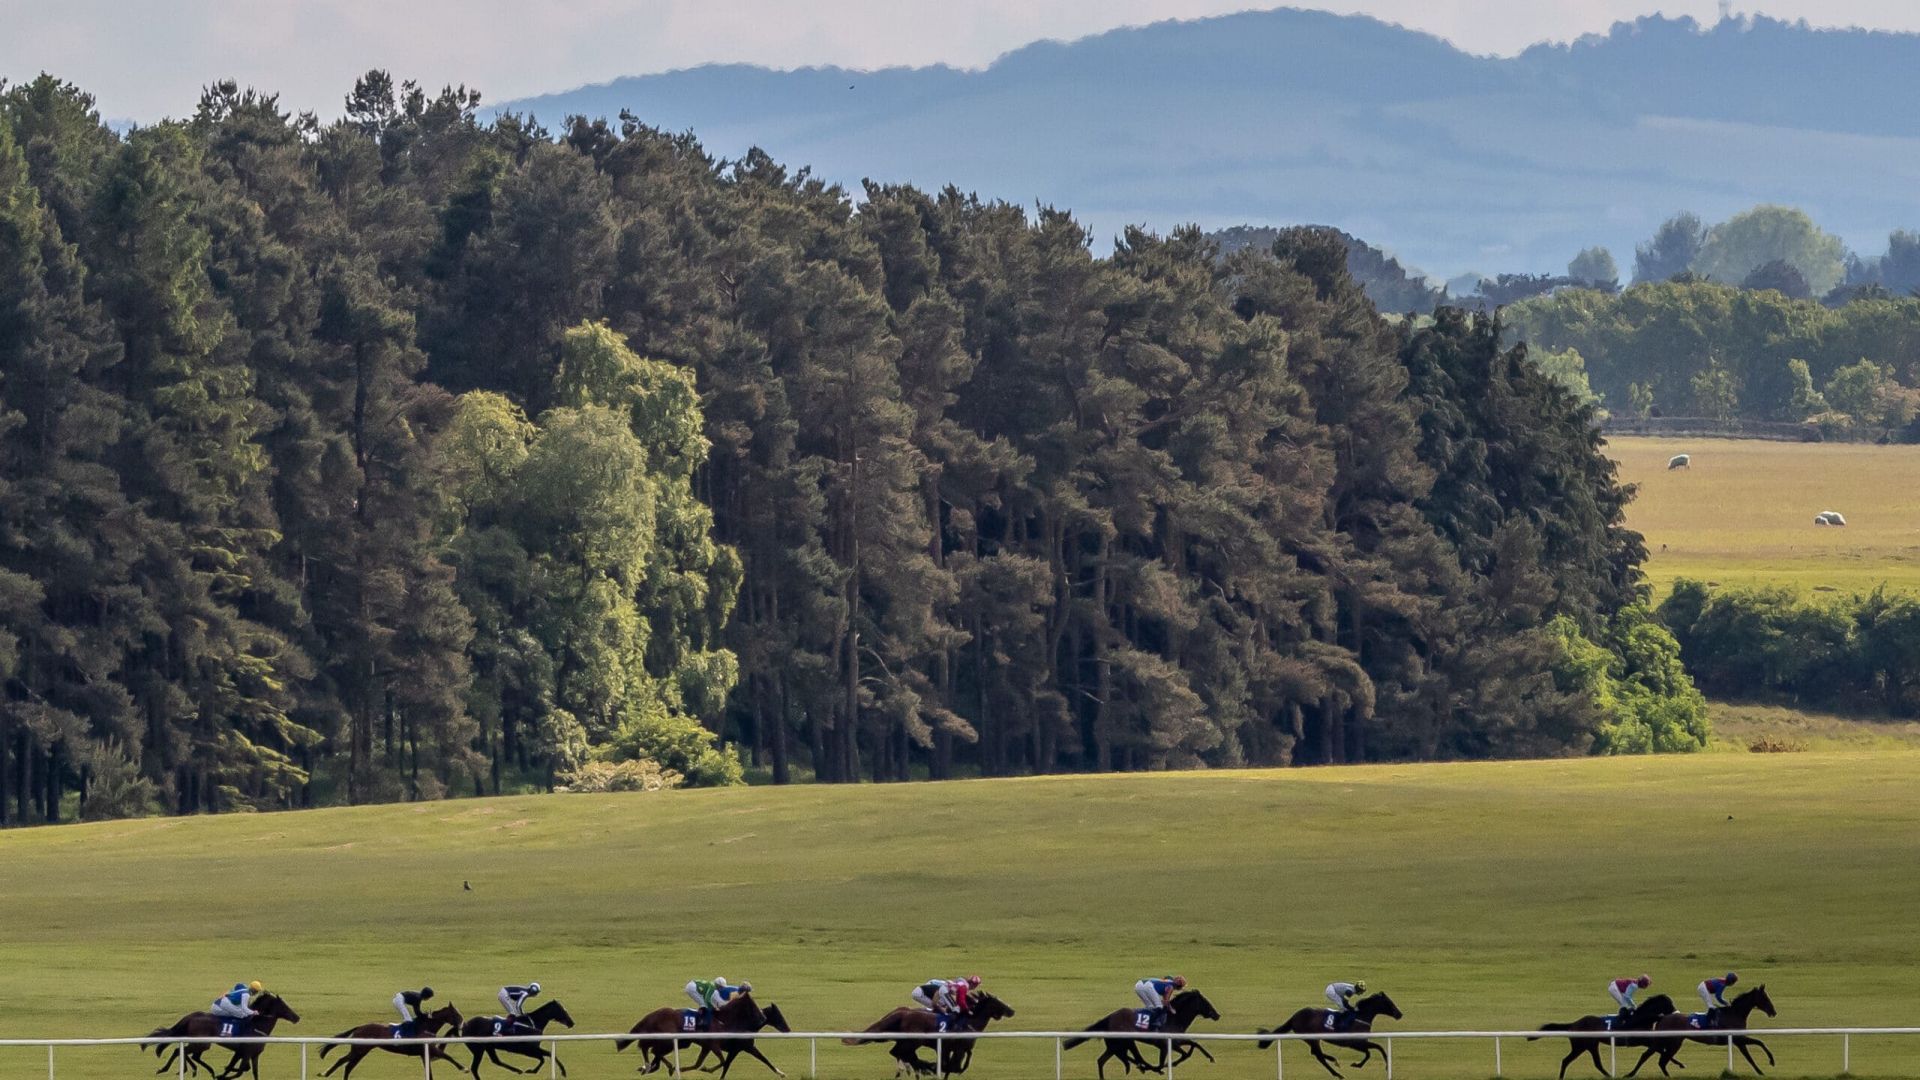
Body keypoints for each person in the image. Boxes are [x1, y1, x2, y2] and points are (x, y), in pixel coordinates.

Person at [686, 978, 752, 1027]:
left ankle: (703, 1017)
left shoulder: (714, 986)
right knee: (704, 1005)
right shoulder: (712, 987)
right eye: (720, 987)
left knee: (706, 1005)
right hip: (692, 988)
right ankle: (701, 1021)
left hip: (693, 985)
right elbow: (707, 999)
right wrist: (713, 1008)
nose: (721, 989)